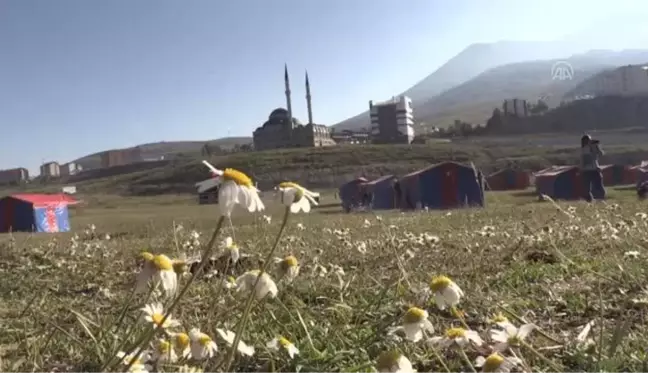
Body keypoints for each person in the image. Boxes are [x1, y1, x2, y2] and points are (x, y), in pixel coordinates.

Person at [580, 134, 605, 202]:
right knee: (588, 188)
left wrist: (596, 147)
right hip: (588, 170)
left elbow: (600, 154)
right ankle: (591, 200)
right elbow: (584, 160)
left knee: (598, 187)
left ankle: (599, 199)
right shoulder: (584, 149)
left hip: (593, 170)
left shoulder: (591, 148)